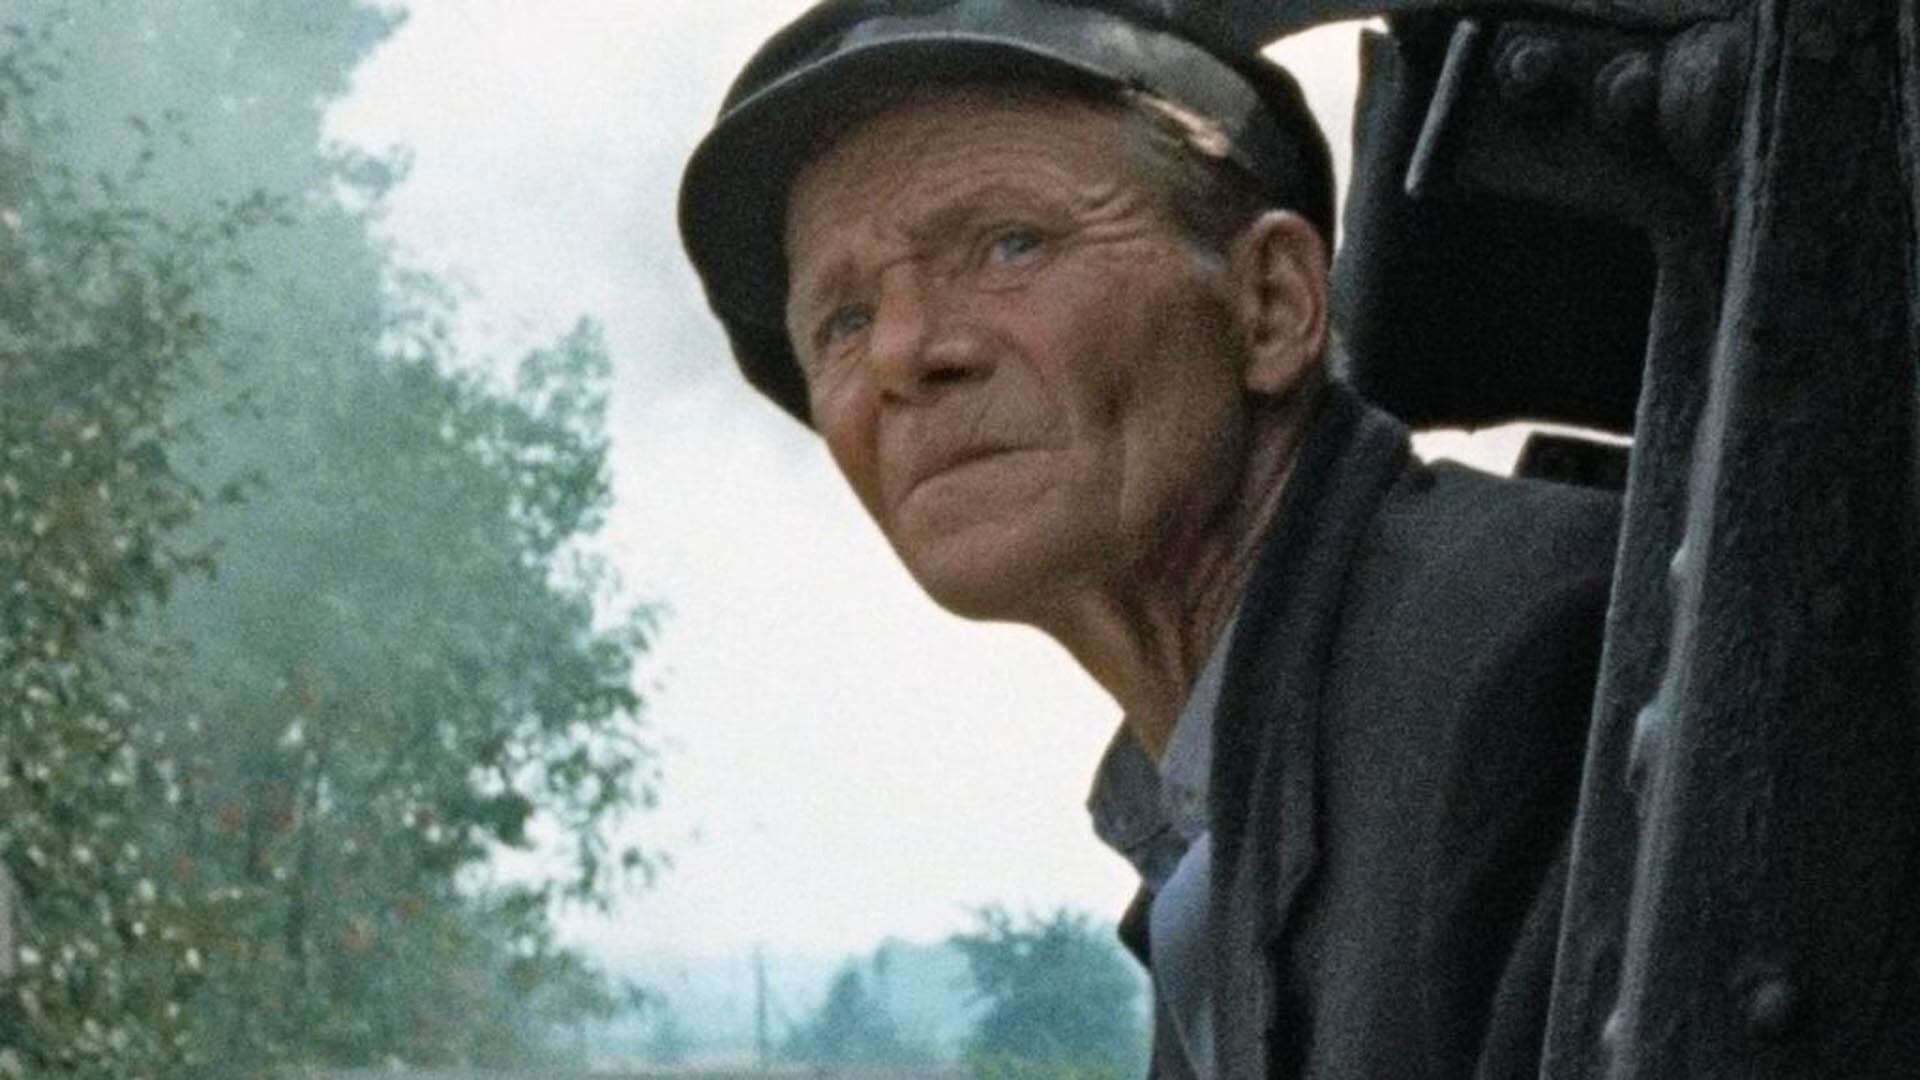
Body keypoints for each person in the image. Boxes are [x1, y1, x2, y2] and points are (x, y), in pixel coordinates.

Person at [677, 2, 1620, 1076]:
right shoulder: (1217, 797)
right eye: (843, 320)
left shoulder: (1534, 662)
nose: (901, 352)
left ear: (1271, 305)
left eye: (1011, 244)